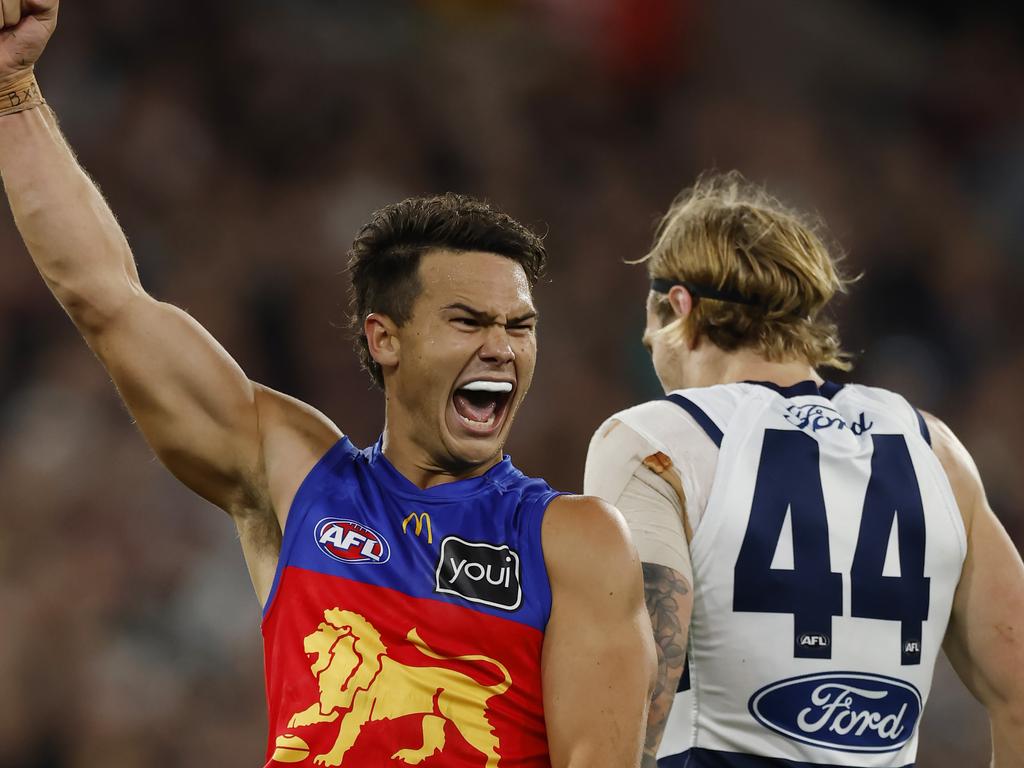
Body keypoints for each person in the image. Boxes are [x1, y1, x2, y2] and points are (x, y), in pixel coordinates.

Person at [0, 3, 656, 766]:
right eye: (469, 322)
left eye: (519, 326)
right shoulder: (298, 479)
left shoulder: (575, 544)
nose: (503, 349)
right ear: (386, 339)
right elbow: (106, 299)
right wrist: (14, 91)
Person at [584, 171, 1024, 767]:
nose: (647, 341)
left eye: (651, 320)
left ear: (680, 308)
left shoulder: (654, 438)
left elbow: (635, 694)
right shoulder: (934, 448)